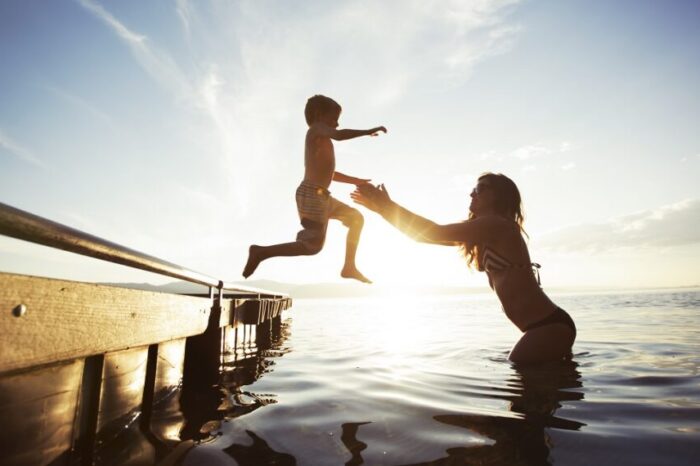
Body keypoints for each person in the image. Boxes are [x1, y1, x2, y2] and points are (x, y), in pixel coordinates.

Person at [351, 173, 576, 364]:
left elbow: (432, 232)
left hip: (547, 327)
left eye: (480, 189)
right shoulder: (485, 229)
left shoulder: (498, 225)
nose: (472, 193)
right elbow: (423, 237)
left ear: (499, 196)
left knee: (524, 384)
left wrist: (386, 206)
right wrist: (383, 210)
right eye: (473, 189)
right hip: (543, 327)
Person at [242, 95, 386, 283]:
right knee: (311, 246)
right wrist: (367, 131)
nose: (337, 124)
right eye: (334, 118)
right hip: (311, 193)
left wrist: (355, 181)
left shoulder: (321, 139)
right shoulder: (316, 130)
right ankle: (261, 252)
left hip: (321, 195)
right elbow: (340, 135)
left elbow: (330, 172)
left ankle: (349, 266)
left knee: (356, 218)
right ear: (319, 115)